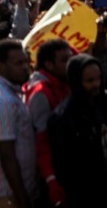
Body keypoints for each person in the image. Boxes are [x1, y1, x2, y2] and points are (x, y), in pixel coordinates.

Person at [0, 39, 36, 208]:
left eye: (25, 61)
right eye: (18, 63)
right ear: (1, 66)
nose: (25, 67)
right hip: (8, 196)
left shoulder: (12, 92)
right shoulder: (1, 101)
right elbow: (7, 155)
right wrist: (22, 200)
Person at [48, 54, 107, 207]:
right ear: (76, 81)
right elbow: (65, 168)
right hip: (84, 195)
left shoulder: (101, 104)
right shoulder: (62, 118)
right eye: (90, 81)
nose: (96, 84)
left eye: (98, 79)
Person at [23, 39, 71, 207]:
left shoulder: (63, 83)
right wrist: (51, 180)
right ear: (49, 65)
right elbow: (41, 141)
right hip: (52, 175)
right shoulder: (40, 93)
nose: (70, 64)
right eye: (64, 60)